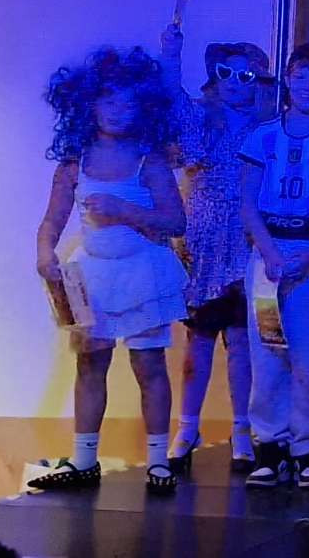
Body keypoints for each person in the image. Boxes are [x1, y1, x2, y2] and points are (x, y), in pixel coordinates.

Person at [29, 47, 187, 494]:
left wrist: (123, 209)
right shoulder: (75, 162)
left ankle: (158, 462)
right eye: (108, 100)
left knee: (149, 365)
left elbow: (175, 222)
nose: (117, 111)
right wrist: (45, 254)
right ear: (89, 103)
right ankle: (84, 460)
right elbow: (52, 219)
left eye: (127, 103)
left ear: (143, 108)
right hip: (93, 276)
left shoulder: (149, 161)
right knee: (90, 363)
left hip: (142, 274)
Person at [159, 24, 272, 473]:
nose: (234, 82)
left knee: (242, 341)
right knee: (198, 340)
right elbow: (172, 98)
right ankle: (187, 427)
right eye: (226, 72)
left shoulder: (267, 127)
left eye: (245, 75)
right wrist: (172, 51)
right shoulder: (201, 119)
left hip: (247, 238)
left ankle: (242, 429)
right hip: (205, 239)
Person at [238, 45, 309, 489]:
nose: (308, 87)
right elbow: (248, 204)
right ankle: (269, 446)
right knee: (267, 352)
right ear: (287, 79)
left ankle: (308, 448)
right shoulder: (262, 137)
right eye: (300, 77)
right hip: (269, 257)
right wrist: (270, 254)